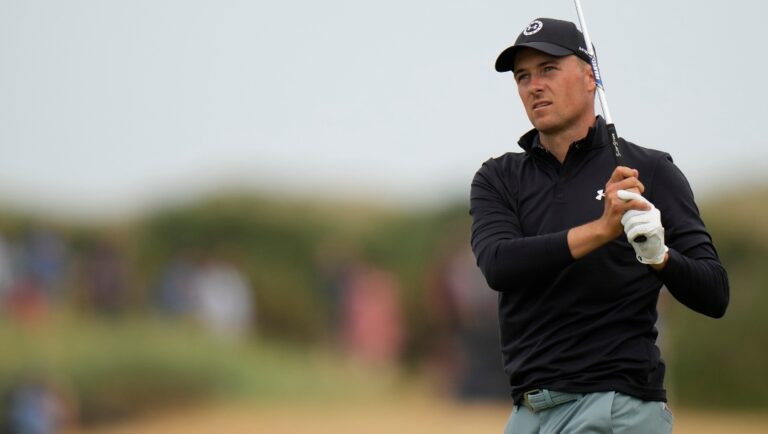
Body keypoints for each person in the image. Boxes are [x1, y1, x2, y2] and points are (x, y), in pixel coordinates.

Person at [469, 17, 729, 433]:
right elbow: (499, 265)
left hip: (615, 406)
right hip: (529, 411)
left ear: (590, 77)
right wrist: (602, 230)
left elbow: (714, 293)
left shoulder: (648, 171)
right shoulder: (499, 177)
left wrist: (659, 255)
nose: (534, 85)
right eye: (523, 76)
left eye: (548, 69)